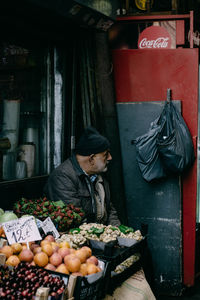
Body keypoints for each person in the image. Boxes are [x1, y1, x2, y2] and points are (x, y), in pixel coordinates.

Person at [44, 126, 121, 226]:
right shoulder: (63, 178)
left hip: (100, 235)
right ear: (92, 159)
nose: (110, 158)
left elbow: (110, 210)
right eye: (106, 154)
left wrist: (119, 233)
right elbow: (76, 220)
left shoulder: (98, 176)